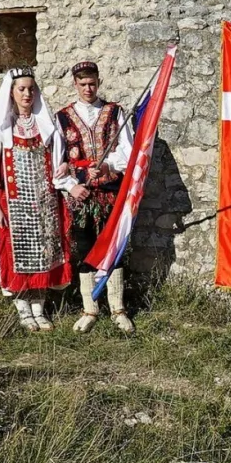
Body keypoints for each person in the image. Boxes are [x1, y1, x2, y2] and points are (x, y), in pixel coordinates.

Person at [0, 67, 73, 331]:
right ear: (12, 92)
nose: (27, 93)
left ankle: (40, 309)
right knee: (16, 256)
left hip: (44, 203)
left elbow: (59, 159)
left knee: (44, 254)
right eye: (21, 89)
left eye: (31, 88)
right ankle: (23, 310)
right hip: (15, 203)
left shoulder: (46, 125)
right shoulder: (2, 128)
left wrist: (63, 167)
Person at [53, 60, 135, 333]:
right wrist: (70, 186)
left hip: (111, 191)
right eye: (82, 84)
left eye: (92, 83)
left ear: (99, 82)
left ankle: (118, 309)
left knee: (114, 248)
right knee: (85, 249)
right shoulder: (63, 117)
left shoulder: (115, 112)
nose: (88, 88)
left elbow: (128, 151)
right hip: (81, 196)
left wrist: (110, 165)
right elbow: (57, 159)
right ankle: (90, 308)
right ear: (75, 84)